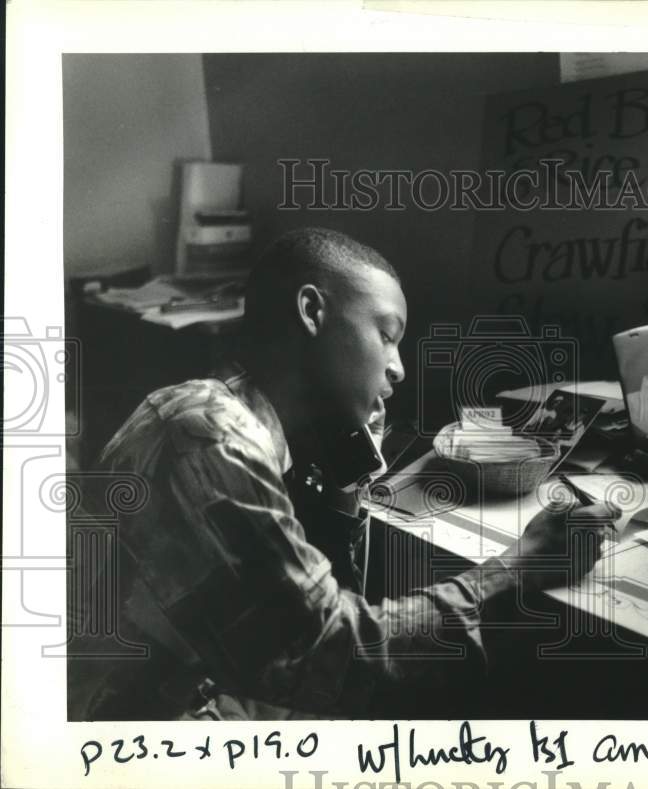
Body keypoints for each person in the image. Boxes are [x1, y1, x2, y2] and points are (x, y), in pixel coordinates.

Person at [69, 227, 617, 720]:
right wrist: (518, 566)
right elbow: (333, 659)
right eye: (387, 333)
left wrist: (343, 487)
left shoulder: (246, 428)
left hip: (192, 689)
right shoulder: (208, 438)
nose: (398, 367)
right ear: (312, 311)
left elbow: (312, 609)